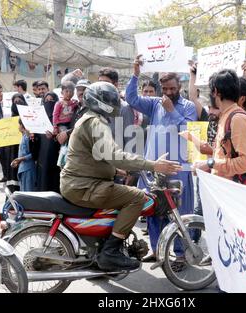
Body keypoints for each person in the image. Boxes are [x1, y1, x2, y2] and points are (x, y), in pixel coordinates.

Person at [60, 81, 182, 271]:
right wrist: (153, 165)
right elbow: (114, 155)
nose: (113, 104)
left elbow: (93, 155)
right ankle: (110, 251)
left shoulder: (90, 118)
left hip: (79, 182)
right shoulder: (96, 122)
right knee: (137, 197)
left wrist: (117, 170)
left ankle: (99, 248)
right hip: (84, 186)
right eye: (109, 100)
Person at [125, 55, 198, 263]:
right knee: (152, 209)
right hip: (153, 169)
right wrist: (135, 74)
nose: (168, 93)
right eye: (164, 89)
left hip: (177, 169)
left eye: (172, 89)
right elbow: (132, 99)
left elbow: (186, 130)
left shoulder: (187, 107)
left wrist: (171, 111)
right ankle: (156, 249)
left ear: (179, 86)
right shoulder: (155, 104)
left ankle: (181, 255)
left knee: (179, 213)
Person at [192, 69, 246, 178]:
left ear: (215, 92)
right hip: (221, 187)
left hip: (231, 190)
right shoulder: (225, 115)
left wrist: (210, 163)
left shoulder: (237, 119)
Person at [53, 82, 79, 168]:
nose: (69, 93)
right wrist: (55, 127)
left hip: (70, 124)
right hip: (62, 125)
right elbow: (55, 115)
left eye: (71, 92)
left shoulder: (74, 103)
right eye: (66, 91)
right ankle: (63, 158)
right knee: (64, 139)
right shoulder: (59, 103)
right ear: (62, 92)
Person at [11, 119, 36, 192]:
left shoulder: (28, 137)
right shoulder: (23, 137)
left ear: (22, 125)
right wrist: (18, 161)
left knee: (28, 193)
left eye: (19, 124)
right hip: (23, 168)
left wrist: (21, 159)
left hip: (28, 169)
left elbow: (33, 154)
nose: (18, 127)